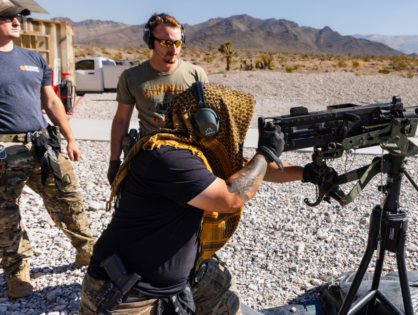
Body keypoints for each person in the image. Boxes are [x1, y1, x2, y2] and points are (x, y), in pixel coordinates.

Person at [78, 83, 328, 315]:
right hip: (129, 293)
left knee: (227, 298)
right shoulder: (168, 157)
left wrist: (306, 173)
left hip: (182, 275)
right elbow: (231, 196)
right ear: (211, 123)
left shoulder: (193, 151)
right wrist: (266, 153)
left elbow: (248, 170)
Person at [0, 1, 95, 298]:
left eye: (18, 17)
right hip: (3, 150)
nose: (17, 22)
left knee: (68, 198)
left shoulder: (33, 58)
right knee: (5, 213)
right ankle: (17, 271)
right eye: (8, 18)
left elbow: (51, 101)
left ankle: (87, 251)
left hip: (43, 145)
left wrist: (70, 137)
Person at [107, 12, 208, 185]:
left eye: (177, 42)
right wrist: (114, 161)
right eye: (166, 43)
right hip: (149, 153)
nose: (174, 49)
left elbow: (207, 118)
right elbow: (121, 120)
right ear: (149, 41)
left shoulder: (196, 74)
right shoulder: (131, 77)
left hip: (189, 154)